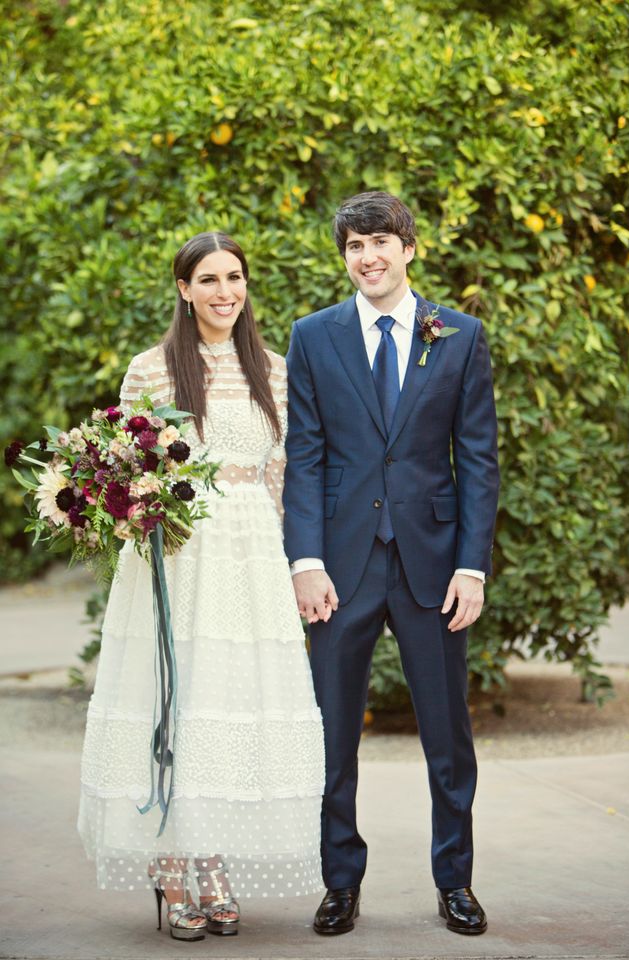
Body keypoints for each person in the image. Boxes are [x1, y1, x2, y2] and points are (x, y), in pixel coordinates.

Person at [78, 232, 325, 941]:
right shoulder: (150, 371)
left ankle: (212, 858)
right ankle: (175, 862)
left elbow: (283, 478)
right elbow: (126, 471)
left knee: (232, 698)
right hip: (179, 555)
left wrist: (296, 563)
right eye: (209, 280)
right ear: (184, 289)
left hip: (250, 555)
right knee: (177, 698)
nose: (225, 292)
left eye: (235, 278)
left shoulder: (274, 370)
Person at [283, 192, 499, 937]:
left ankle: (455, 881)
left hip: (432, 567)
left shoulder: (460, 336)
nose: (367, 257)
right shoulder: (313, 337)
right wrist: (305, 559)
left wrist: (472, 566)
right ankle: (340, 881)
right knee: (331, 736)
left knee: (447, 738)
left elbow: (477, 460)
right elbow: (305, 456)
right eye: (353, 246)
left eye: (380, 242)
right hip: (338, 567)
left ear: (409, 248)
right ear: (343, 256)